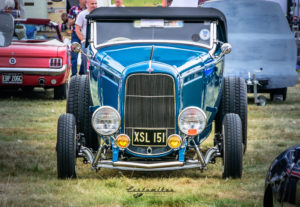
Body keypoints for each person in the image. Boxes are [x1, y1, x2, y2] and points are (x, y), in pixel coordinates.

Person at [75, 0, 98, 75]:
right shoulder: (82, 14)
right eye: (92, 4)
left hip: (98, 43)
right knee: (86, 62)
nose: (94, 5)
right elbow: (77, 29)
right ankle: (86, 78)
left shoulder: (100, 14)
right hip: (86, 43)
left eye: (95, 3)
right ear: (87, 4)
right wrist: (83, 40)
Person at [68, 0, 87, 76]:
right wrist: (78, 18)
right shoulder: (74, 9)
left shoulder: (88, 9)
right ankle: (74, 74)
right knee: (74, 55)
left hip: (85, 35)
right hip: (75, 35)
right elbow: (69, 23)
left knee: (84, 55)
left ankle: (82, 74)